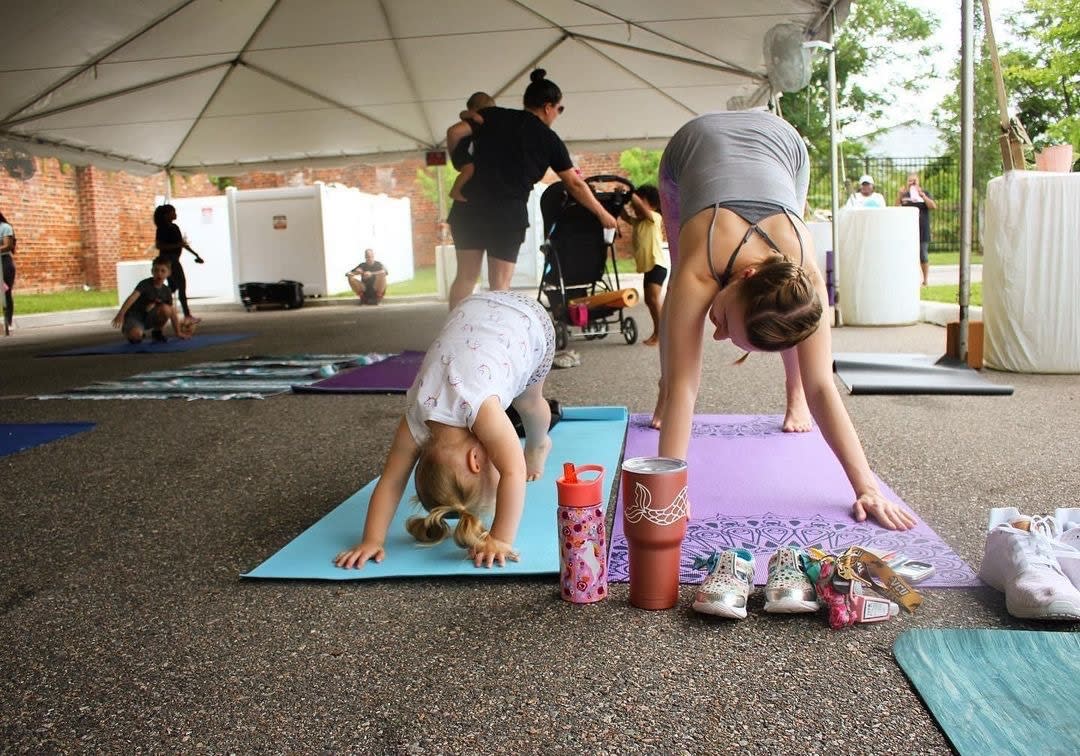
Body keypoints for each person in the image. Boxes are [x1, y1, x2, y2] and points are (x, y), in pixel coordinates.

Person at [652, 110, 915, 531]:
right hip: (694, 144)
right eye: (721, 319)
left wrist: (866, 487)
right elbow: (689, 386)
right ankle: (658, 387)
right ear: (747, 276)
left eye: (717, 325)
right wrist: (669, 491)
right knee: (679, 314)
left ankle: (791, 397)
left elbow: (823, 386)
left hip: (784, 148)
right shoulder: (702, 266)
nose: (714, 331)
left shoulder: (806, 279)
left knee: (791, 318)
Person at [334, 290, 555, 570]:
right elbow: (390, 481)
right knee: (524, 407)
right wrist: (371, 540)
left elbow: (514, 471)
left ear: (477, 460)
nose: (497, 467)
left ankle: (538, 445)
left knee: (529, 403)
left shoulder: (481, 408)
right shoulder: (417, 419)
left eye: (492, 474)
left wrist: (500, 539)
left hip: (529, 322)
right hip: (472, 306)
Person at [443, 69, 618, 308]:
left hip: (468, 207)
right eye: (559, 108)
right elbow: (575, 184)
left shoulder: (493, 115)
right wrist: (602, 213)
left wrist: (460, 162)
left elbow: (454, 132)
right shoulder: (549, 140)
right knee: (500, 286)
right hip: (507, 214)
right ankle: (496, 339)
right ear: (548, 107)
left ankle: (455, 336)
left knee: (465, 278)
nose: (558, 114)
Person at [621, 185, 668, 346]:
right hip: (649, 268)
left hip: (657, 265)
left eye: (639, 202)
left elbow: (642, 208)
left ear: (652, 204)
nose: (635, 206)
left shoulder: (654, 217)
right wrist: (620, 198)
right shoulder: (638, 222)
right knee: (649, 300)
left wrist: (631, 194)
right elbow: (625, 216)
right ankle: (659, 332)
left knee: (653, 300)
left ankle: (661, 334)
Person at [111, 256, 190, 343]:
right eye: (156, 270)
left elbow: (172, 312)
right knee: (136, 337)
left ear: (169, 273)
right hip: (135, 317)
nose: (159, 273)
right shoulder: (144, 284)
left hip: (149, 317)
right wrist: (121, 313)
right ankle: (132, 331)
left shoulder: (166, 290)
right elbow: (132, 297)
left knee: (167, 309)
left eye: (163, 271)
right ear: (152, 271)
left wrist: (178, 333)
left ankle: (157, 332)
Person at [153, 203, 204, 323]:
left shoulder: (174, 227)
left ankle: (160, 307)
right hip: (169, 261)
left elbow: (182, 244)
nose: (175, 214)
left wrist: (196, 255)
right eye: (173, 212)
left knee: (173, 287)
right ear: (166, 215)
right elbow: (160, 245)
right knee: (181, 285)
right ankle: (186, 315)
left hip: (172, 260)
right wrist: (178, 245)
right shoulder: (163, 228)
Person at [448, 92, 496, 203]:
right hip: (462, 153)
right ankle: (455, 190)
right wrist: (473, 115)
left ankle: (457, 190)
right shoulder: (471, 119)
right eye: (488, 110)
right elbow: (462, 115)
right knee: (469, 169)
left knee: (470, 170)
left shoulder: (476, 122)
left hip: (464, 153)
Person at [897, 172, 938, 286]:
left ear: (918, 181)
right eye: (910, 180)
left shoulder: (924, 193)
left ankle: (925, 280)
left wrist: (923, 196)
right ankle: (909, 278)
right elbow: (896, 208)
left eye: (914, 180)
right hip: (907, 231)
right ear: (907, 182)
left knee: (923, 255)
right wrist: (899, 196)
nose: (912, 183)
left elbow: (933, 206)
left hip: (922, 229)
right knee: (907, 255)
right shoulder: (904, 195)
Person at [0, 211, 15, 334]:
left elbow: (7, 246)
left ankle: (8, 321)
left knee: (5, 291)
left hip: (4, 261)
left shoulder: (5, 227)